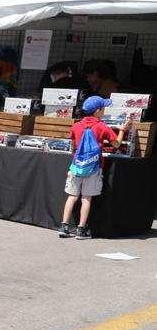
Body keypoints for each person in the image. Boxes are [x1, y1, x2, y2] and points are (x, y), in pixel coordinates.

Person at [59, 95, 131, 239]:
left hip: (76, 166)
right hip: (93, 167)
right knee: (87, 197)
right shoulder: (102, 126)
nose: (104, 111)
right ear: (98, 111)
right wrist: (122, 130)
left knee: (72, 196)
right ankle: (80, 229)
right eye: (103, 108)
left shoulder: (76, 125)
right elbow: (116, 145)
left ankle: (64, 226)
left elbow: (73, 145)